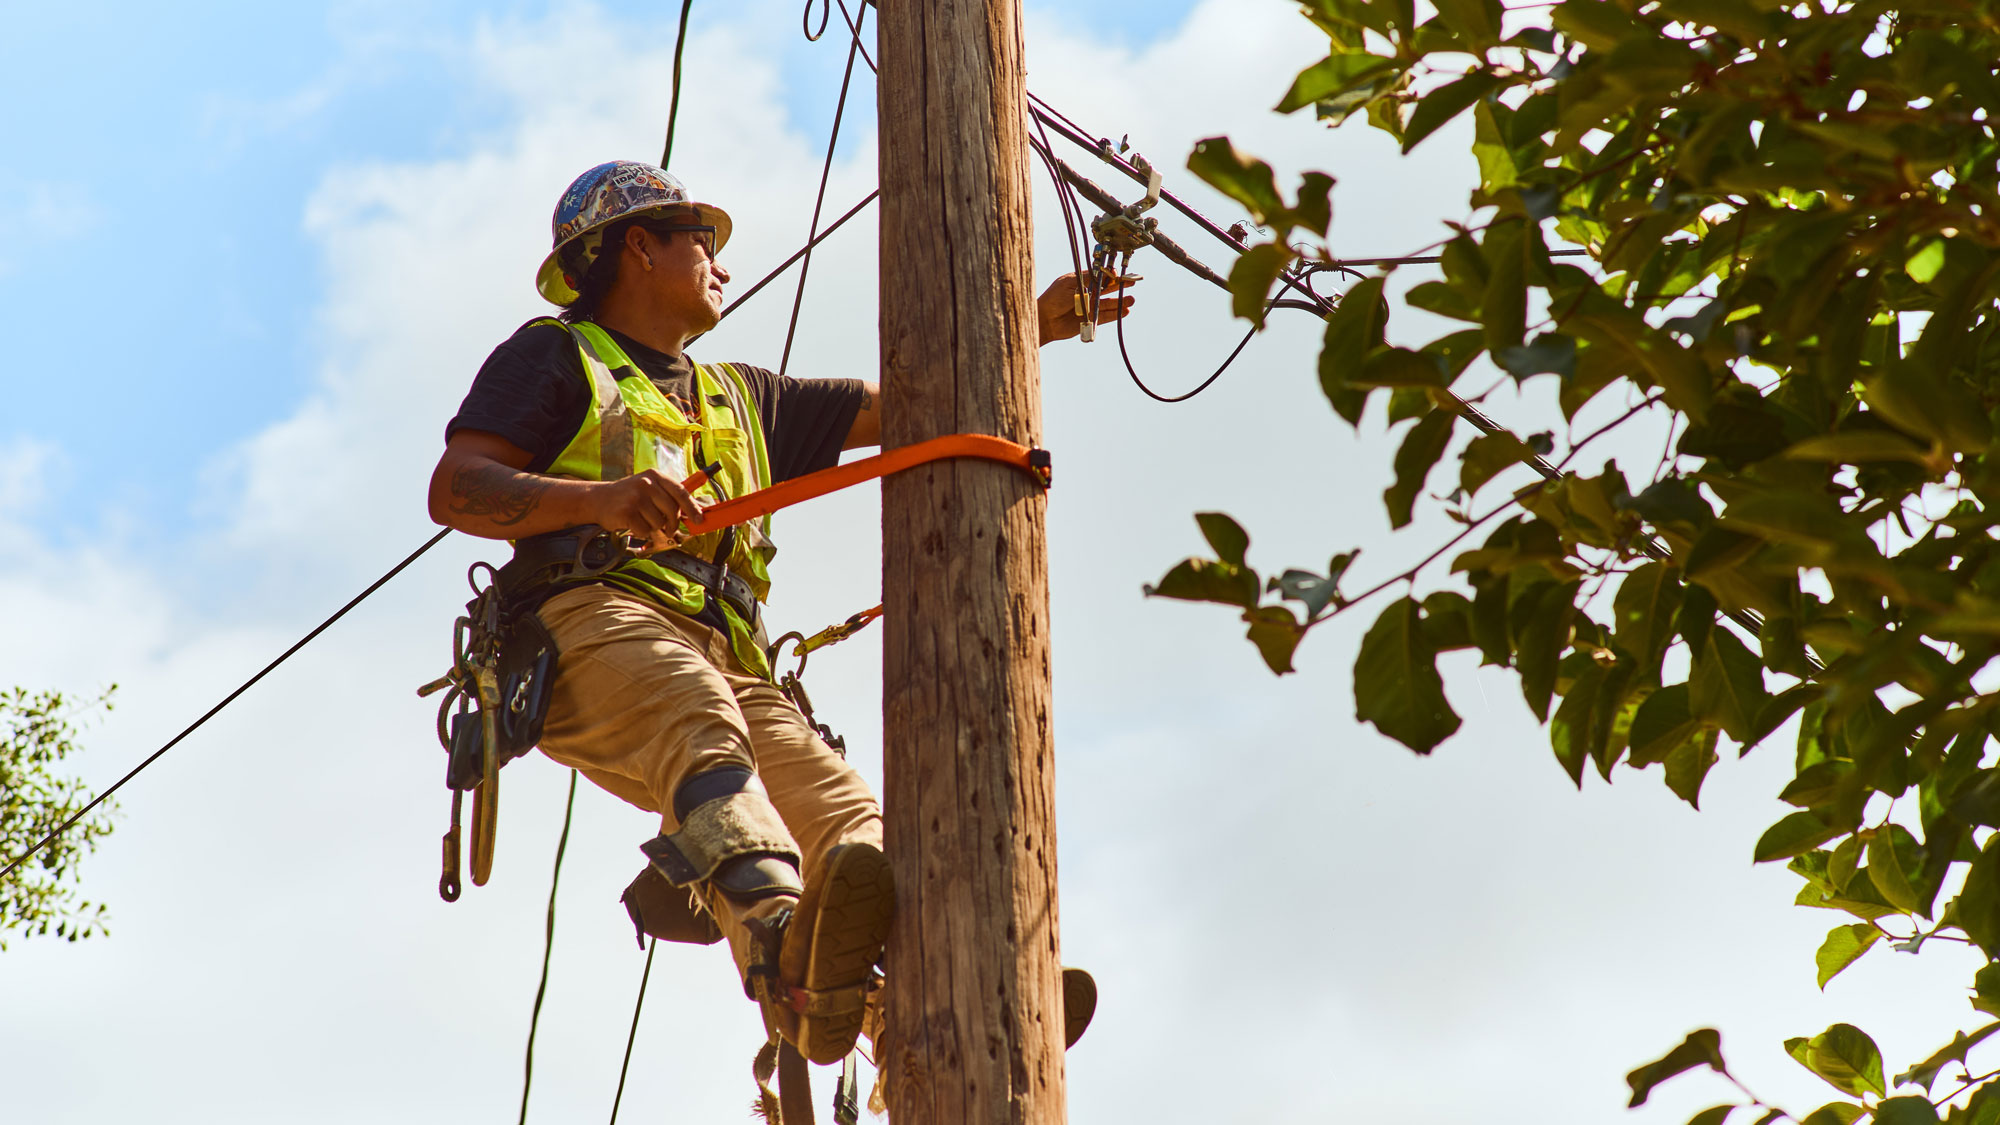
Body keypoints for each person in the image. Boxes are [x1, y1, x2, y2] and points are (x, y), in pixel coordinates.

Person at [427, 160, 1132, 1065]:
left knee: (855, 819)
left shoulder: (741, 396)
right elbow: (458, 488)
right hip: (592, 618)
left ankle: (909, 1012)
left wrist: (1028, 326)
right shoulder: (556, 356)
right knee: (696, 718)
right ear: (638, 246)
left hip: (731, 655)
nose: (720, 261)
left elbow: (909, 410)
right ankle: (777, 945)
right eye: (702, 241)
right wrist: (600, 501)